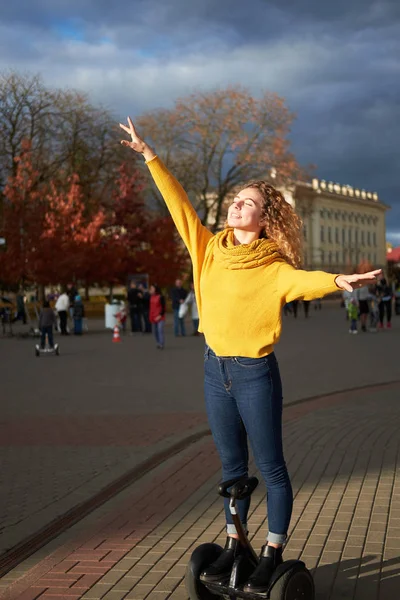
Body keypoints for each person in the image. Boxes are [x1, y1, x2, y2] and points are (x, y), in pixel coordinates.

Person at [120, 117, 381, 593]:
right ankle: (235, 542)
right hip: (213, 369)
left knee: (272, 467)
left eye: (248, 203)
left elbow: (303, 282)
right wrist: (150, 156)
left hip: (254, 374)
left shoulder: (273, 266)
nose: (236, 205)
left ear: (264, 219)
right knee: (231, 470)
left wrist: (340, 281)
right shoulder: (208, 249)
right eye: (236, 200)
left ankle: (272, 551)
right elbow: (179, 207)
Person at [149, 284, 166, 349]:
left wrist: (160, 315)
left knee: (160, 330)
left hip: (160, 316)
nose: (151, 290)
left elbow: (163, 307)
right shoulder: (151, 297)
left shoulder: (160, 297)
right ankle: (158, 342)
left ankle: (161, 343)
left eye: (152, 288)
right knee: (155, 331)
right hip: (153, 316)